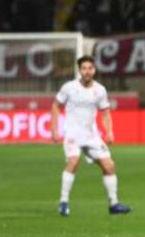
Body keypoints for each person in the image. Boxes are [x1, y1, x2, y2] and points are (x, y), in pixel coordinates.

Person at [51, 55, 131, 216]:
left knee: (109, 165)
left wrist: (109, 131)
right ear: (79, 70)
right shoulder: (69, 88)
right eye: (84, 68)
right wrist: (54, 129)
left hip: (91, 135)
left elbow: (105, 112)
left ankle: (113, 204)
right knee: (73, 162)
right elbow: (55, 105)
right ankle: (63, 202)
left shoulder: (100, 90)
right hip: (73, 134)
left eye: (90, 68)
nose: (87, 71)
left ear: (94, 70)